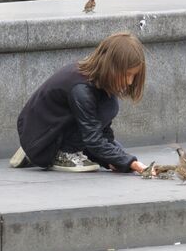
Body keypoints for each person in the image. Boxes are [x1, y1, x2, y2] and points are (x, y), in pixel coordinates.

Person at [10, 32, 148, 174]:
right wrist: (129, 162)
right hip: (40, 136)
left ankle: (44, 150)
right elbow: (93, 140)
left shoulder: (99, 82)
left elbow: (103, 134)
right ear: (111, 67)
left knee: (116, 144)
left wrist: (118, 161)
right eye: (127, 74)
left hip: (51, 131)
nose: (130, 81)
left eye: (134, 76)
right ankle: (60, 153)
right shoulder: (81, 89)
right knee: (115, 148)